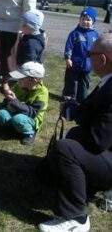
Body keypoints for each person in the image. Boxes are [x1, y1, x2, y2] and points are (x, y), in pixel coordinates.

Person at [38, 33, 112, 232]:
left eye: (90, 53)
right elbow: (97, 110)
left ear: (102, 59)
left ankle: (76, 217)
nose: (88, 56)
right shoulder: (108, 79)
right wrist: (75, 109)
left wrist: (79, 118)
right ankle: (79, 186)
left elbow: (98, 140)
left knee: (66, 149)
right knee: (73, 136)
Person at [0, 61, 48, 145]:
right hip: (16, 113)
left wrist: (15, 101)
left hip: (30, 118)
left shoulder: (43, 93)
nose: (18, 80)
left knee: (19, 119)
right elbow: (9, 101)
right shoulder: (19, 85)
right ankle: (14, 128)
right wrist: (8, 99)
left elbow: (31, 112)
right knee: (2, 113)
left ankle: (30, 133)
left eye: (21, 78)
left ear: (34, 80)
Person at [62, 7, 99, 103]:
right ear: (79, 20)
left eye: (88, 19)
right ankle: (68, 97)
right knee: (71, 82)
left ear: (93, 21)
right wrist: (68, 58)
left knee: (84, 83)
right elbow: (68, 47)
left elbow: (98, 48)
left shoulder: (95, 35)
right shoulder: (75, 33)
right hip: (74, 64)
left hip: (87, 65)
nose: (85, 21)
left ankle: (82, 99)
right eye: (83, 19)